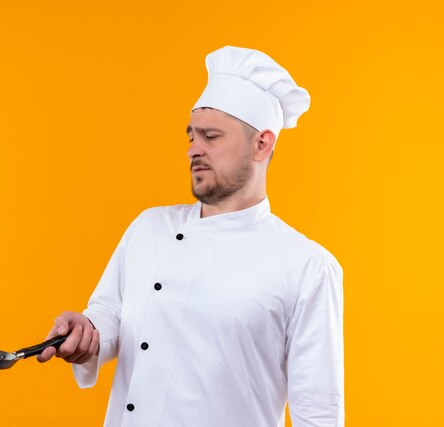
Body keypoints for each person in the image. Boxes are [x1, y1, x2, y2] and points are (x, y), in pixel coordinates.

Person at [38, 46, 344, 427]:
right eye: (191, 136)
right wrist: (90, 333)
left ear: (262, 143)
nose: (193, 150)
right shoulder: (149, 227)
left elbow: (318, 413)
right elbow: (112, 312)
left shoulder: (307, 267)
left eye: (211, 137)